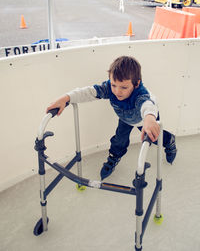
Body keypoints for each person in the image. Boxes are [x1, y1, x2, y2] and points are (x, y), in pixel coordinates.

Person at [46, 56, 177, 180]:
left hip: (145, 119)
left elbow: (148, 104)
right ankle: (114, 157)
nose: (117, 91)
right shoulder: (109, 88)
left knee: (155, 138)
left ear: (136, 84)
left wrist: (149, 118)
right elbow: (89, 92)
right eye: (114, 85)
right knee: (119, 140)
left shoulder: (141, 95)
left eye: (124, 87)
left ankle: (169, 141)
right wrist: (66, 97)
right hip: (125, 119)